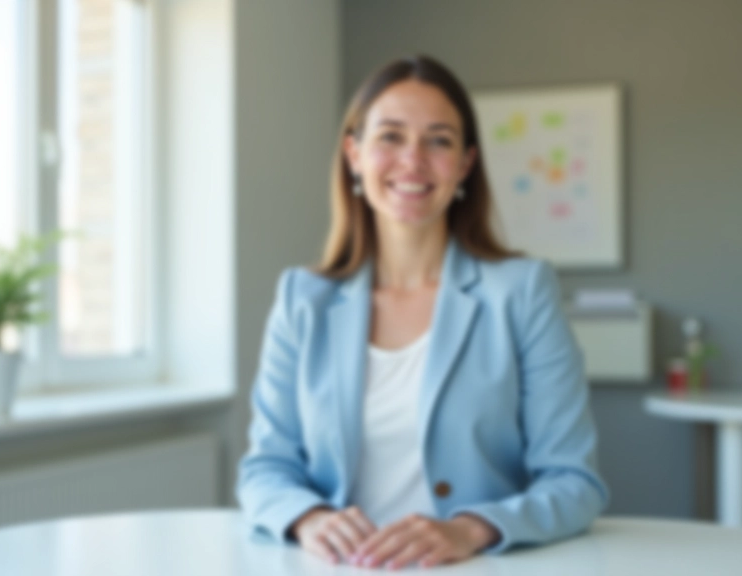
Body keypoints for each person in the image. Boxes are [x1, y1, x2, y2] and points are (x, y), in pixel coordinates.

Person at [236, 55, 608, 569]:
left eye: (439, 140)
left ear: (465, 164)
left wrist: (470, 530)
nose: (413, 160)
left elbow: (575, 482)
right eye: (390, 136)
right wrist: (310, 518)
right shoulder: (303, 298)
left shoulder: (521, 291)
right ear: (354, 154)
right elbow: (265, 469)